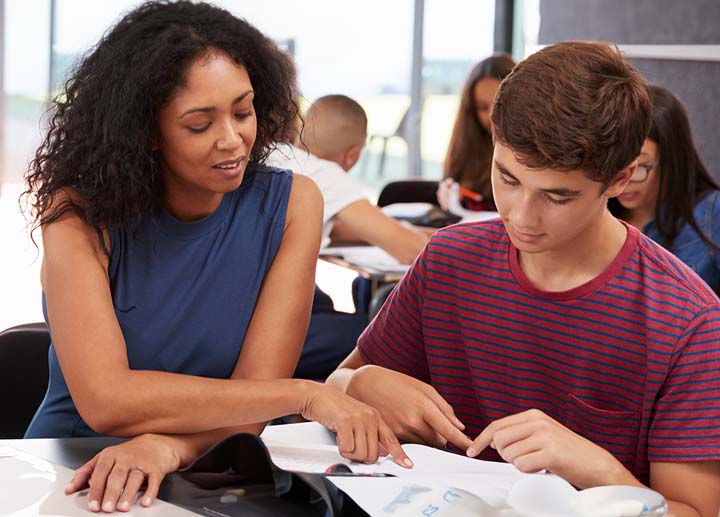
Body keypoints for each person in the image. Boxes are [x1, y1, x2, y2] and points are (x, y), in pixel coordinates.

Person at [22, 2, 410, 512]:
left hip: (210, 462)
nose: (233, 140)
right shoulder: (77, 214)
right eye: (199, 124)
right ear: (145, 134)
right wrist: (303, 394)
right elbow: (107, 401)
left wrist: (170, 447)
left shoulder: (293, 203)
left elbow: (253, 401)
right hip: (75, 465)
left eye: (243, 111)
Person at [328, 42, 720, 517]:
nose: (520, 216)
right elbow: (336, 383)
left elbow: (696, 512)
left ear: (620, 179)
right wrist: (362, 382)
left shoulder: (687, 321)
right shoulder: (449, 260)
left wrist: (601, 472)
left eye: (557, 196)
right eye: (508, 178)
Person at [268, 94, 430, 379]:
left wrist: (409, 231)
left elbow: (338, 227)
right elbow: (410, 250)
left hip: (235, 312)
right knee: (381, 338)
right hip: (262, 326)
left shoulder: (278, 154)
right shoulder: (322, 174)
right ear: (353, 154)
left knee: (324, 301)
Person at [610, 84, 720, 291]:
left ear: (672, 160)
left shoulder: (711, 213)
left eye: (641, 166)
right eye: (615, 164)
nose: (623, 179)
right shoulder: (596, 212)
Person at [437, 53, 516, 214]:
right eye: (482, 107)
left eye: (498, 104)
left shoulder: (535, 153)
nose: (490, 116)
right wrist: (450, 193)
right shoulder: (468, 148)